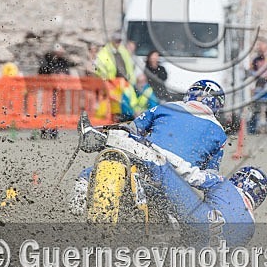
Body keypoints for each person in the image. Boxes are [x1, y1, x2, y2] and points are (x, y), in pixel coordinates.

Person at [76, 116, 267, 247]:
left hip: (201, 221)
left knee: (161, 166)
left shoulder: (225, 185)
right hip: (202, 255)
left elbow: (189, 174)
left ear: (241, 182)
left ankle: (104, 138)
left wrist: (155, 152)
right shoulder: (250, 228)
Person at [71, 80, 229, 214]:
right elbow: (211, 173)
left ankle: (79, 198)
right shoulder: (220, 133)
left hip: (149, 156)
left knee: (119, 143)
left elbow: (132, 129)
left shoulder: (168, 107)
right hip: (178, 179)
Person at [38, 44, 72, 140]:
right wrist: (53, 74)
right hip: (46, 90)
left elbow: (67, 72)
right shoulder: (47, 60)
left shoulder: (63, 61)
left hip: (58, 90)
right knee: (45, 111)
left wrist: (61, 75)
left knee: (55, 112)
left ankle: (54, 130)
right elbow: (42, 71)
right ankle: (44, 130)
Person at [247, 41, 267, 135]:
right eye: (260, 51)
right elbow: (251, 71)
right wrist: (257, 75)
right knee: (256, 109)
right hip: (259, 88)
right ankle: (254, 129)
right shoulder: (255, 60)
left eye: (263, 50)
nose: (261, 53)